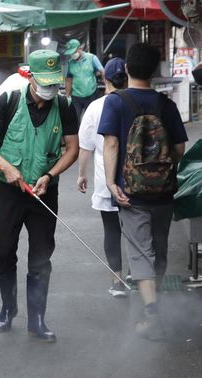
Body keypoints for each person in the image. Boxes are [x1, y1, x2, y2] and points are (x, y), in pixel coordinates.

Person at [0, 49, 79, 343]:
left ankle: (38, 319)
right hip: (8, 190)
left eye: (54, 83)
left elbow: (72, 148)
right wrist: (6, 167)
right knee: (5, 251)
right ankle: (8, 308)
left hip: (44, 192)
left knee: (41, 256)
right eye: (44, 82)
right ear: (30, 77)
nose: (49, 89)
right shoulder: (9, 100)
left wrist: (50, 175)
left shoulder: (65, 105)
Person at [99, 43, 188, 340]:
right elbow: (179, 149)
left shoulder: (115, 102)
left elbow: (111, 144)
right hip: (163, 192)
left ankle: (151, 313)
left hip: (130, 193)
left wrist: (112, 183)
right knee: (159, 248)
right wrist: (160, 169)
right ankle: (155, 301)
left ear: (126, 69)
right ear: (154, 71)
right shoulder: (167, 105)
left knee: (140, 251)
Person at [76, 57, 128, 298]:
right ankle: (140, 276)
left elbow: (85, 146)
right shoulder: (133, 102)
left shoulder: (95, 107)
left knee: (112, 230)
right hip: (138, 180)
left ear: (104, 79)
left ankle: (117, 281)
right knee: (138, 228)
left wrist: (81, 174)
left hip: (106, 179)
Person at [64, 39, 104, 122]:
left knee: (92, 119)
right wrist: (67, 96)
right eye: (70, 53)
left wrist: (107, 86)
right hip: (76, 96)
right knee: (74, 119)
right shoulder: (70, 63)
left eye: (73, 52)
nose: (72, 54)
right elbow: (68, 79)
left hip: (91, 94)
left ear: (80, 48)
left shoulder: (92, 58)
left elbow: (102, 71)